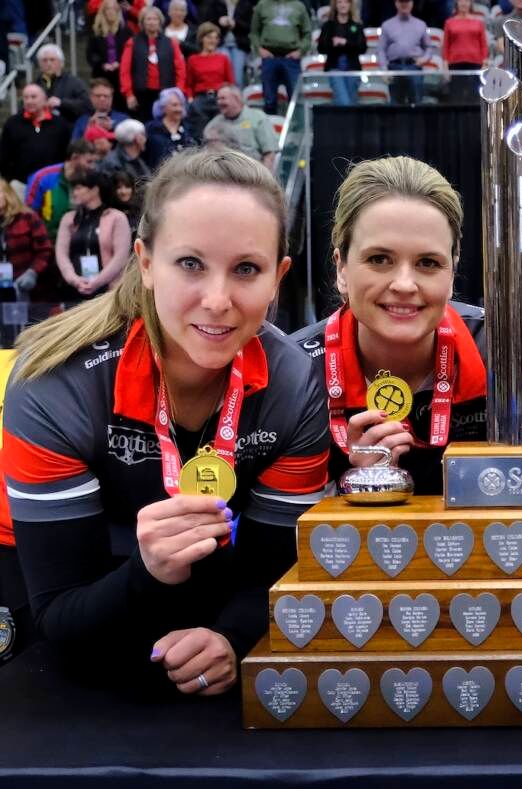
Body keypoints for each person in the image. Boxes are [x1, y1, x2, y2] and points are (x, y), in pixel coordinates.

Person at [4, 147, 330, 692]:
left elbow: (274, 575)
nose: (218, 299)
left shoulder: (293, 384)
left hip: (200, 597)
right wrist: (148, 577)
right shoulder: (54, 381)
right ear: (147, 263)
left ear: (279, 277)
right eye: (190, 264)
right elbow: (59, 616)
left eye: (246, 269)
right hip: (46, 596)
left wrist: (233, 635)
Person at [291, 156, 486, 494]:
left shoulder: (501, 353)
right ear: (341, 268)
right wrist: (344, 488)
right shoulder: (292, 372)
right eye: (379, 260)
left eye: (428, 263)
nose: (405, 284)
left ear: (452, 271)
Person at [54, 170, 132, 300]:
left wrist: (97, 282)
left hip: (107, 291)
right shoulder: (68, 219)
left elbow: (120, 257)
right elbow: (61, 254)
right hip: (74, 290)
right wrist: (74, 280)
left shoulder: (117, 218)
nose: (74, 193)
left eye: (79, 188)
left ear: (95, 190)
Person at [119, 6, 188, 122]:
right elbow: (124, 71)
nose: (152, 22)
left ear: (160, 21)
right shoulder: (132, 42)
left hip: (166, 94)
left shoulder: (170, 42)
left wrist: (179, 92)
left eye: (155, 19)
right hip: (141, 94)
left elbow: (180, 69)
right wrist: (129, 94)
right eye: (148, 19)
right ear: (142, 22)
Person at [24, 140, 100, 241]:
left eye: (95, 162)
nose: (93, 167)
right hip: (48, 240)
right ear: (74, 157)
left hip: (83, 240)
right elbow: (29, 213)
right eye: (89, 162)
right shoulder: (43, 178)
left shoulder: (93, 178)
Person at [0, 84, 73, 188]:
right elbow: (4, 156)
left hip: (53, 185)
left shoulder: (60, 124)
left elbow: (67, 154)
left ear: (44, 99)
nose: (29, 101)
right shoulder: (12, 124)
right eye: (26, 97)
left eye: (33, 97)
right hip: (20, 185)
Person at [250, 0, 311, 115]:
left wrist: (300, 51)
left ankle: (297, 129)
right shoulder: (262, 5)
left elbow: (307, 34)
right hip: (269, 57)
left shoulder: (299, 6)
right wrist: (259, 49)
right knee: (269, 99)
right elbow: (254, 33)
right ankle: (269, 129)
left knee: (295, 99)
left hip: (291, 59)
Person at [0, 178, 55, 297]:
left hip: (30, 289)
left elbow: (45, 250)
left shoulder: (27, 217)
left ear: (8, 194)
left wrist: (33, 272)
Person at [203, 84, 279, 169]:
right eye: (218, 99)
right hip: (224, 174)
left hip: (254, 172)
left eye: (223, 98)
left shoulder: (258, 118)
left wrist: (263, 179)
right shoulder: (214, 124)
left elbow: (269, 155)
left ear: (237, 99)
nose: (219, 102)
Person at [379, 0, 434, 106]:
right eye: (401, 2)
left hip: (414, 67)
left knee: (416, 104)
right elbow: (381, 49)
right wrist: (384, 70)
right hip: (394, 67)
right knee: (395, 105)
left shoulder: (421, 24)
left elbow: (429, 47)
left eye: (407, 1)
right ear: (396, 3)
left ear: (412, 3)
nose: (404, 4)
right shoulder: (387, 25)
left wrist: (424, 59)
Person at [186, 22, 234, 133]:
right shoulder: (193, 59)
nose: (213, 41)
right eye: (209, 37)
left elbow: (230, 82)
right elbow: (189, 84)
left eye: (216, 38)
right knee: (200, 133)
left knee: (220, 133)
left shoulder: (223, 58)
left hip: (219, 99)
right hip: (200, 99)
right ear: (201, 38)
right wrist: (190, 99)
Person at [318, 0, 367, 107]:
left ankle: (345, 123)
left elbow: (362, 47)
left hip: (353, 69)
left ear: (350, 5)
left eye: (346, 2)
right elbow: (320, 48)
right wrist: (333, 43)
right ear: (335, 5)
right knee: (344, 102)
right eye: (339, 2)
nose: (343, 5)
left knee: (352, 103)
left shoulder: (357, 26)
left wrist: (345, 43)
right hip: (334, 68)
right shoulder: (328, 26)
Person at [87, 0, 133, 109]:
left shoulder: (126, 31)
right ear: (103, 12)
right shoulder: (95, 31)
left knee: (120, 106)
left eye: (114, 9)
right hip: (101, 74)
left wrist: (120, 63)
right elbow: (91, 54)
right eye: (108, 9)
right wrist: (102, 64)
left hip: (120, 75)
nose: (111, 12)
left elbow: (130, 53)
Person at [199, 0, 255, 86]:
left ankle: (236, 98)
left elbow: (250, 26)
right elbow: (207, 23)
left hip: (239, 45)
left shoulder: (245, 4)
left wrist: (236, 24)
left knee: (237, 79)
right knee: (223, 77)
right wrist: (219, 21)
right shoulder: (216, 3)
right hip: (220, 44)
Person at [37, 44, 93, 124]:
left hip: (67, 127)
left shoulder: (74, 82)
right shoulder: (35, 85)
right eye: (44, 60)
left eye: (52, 60)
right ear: (40, 64)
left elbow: (87, 105)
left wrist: (61, 103)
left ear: (61, 63)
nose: (48, 64)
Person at [146, 88, 199, 168]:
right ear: (163, 107)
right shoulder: (151, 129)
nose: (179, 109)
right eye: (174, 105)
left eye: (181, 105)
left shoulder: (189, 129)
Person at [99, 119, 152, 184]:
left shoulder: (138, 161)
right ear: (137, 139)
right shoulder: (112, 163)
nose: (145, 139)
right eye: (143, 135)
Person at [111, 169, 143, 234]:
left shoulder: (140, 208)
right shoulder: (109, 211)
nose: (123, 191)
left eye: (127, 187)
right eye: (119, 187)